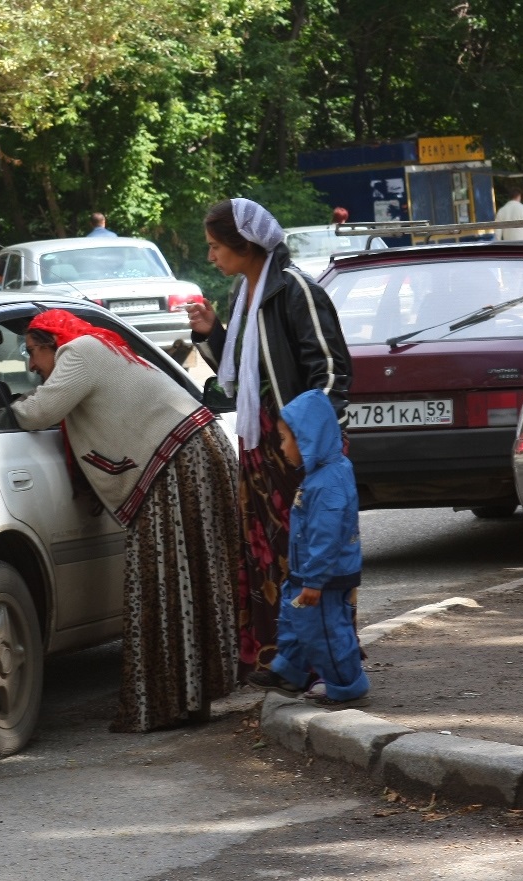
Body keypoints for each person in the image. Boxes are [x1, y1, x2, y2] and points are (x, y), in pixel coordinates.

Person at [9, 309, 241, 732]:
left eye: (32, 352)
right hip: (193, 453)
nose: (31, 365)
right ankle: (187, 700)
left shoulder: (78, 352)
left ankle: (169, 703)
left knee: (163, 581)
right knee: (183, 581)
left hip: (179, 462)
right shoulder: (97, 347)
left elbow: (36, 413)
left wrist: (4, 401)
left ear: (51, 343)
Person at [185, 197, 353, 679]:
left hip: (299, 449)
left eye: (217, 247)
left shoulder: (296, 290)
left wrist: (303, 434)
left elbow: (332, 372)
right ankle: (283, 658)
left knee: (311, 557)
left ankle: (328, 664)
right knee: (271, 558)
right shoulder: (245, 296)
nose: (212, 256)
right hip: (261, 447)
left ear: (246, 244)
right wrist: (212, 333)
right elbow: (243, 375)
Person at [246, 388, 369, 709]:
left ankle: (346, 686)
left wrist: (314, 580)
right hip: (308, 573)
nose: (282, 447)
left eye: (287, 439)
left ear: (308, 439)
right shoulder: (319, 476)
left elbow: (327, 537)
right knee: (295, 622)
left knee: (325, 632)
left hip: (325, 577)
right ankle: (289, 673)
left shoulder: (329, 482)